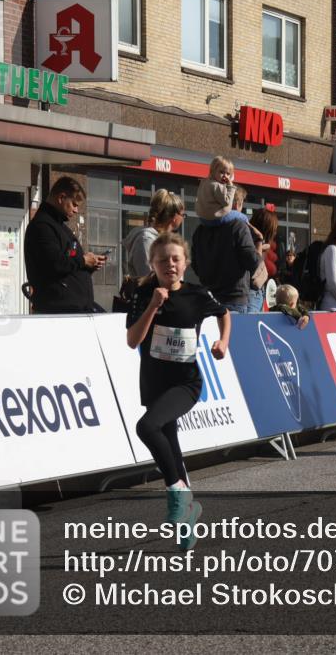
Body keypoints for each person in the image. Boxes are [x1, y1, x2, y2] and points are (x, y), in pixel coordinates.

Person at [125, 232, 230, 550]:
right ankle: (188, 515)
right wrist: (153, 307)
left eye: (175, 259)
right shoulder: (143, 293)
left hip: (185, 383)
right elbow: (132, 340)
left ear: (185, 263)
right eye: (162, 260)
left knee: (147, 427)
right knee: (170, 444)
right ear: (152, 264)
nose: (169, 264)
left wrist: (222, 342)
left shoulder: (197, 295)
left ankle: (177, 492)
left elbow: (224, 313)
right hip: (154, 381)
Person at [24, 176, 106, 313]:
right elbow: (54, 264)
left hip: (71, 308)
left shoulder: (59, 226)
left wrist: (89, 266)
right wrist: (83, 260)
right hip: (59, 312)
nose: (76, 210)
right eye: (74, 204)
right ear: (61, 198)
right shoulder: (43, 226)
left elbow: (68, 265)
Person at [191, 173, 262, 313]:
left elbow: (195, 265)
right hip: (234, 299)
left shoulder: (200, 229)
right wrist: (259, 242)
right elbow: (253, 262)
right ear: (237, 203)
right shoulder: (238, 226)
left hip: (209, 297)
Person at [123, 189, 185, 278]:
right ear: (174, 217)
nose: (183, 218)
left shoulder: (168, 240)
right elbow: (148, 276)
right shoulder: (146, 239)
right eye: (183, 215)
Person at [247, 206, 278, 313]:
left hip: (257, 292)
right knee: (250, 327)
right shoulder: (252, 243)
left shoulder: (260, 243)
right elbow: (255, 264)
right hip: (251, 292)